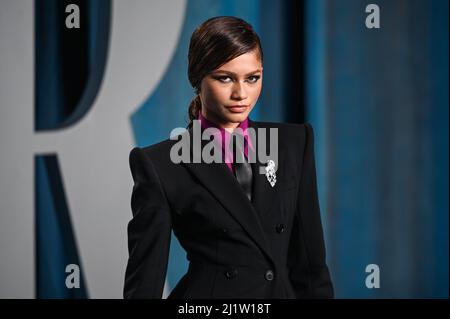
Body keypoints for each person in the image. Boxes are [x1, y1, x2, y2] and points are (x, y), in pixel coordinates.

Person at [123, 16, 334, 299]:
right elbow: (144, 285)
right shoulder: (161, 164)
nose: (241, 94)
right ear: (197, 79)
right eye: (225, 78)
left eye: (252, 78)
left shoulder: (293, 143)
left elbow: (311, 266)